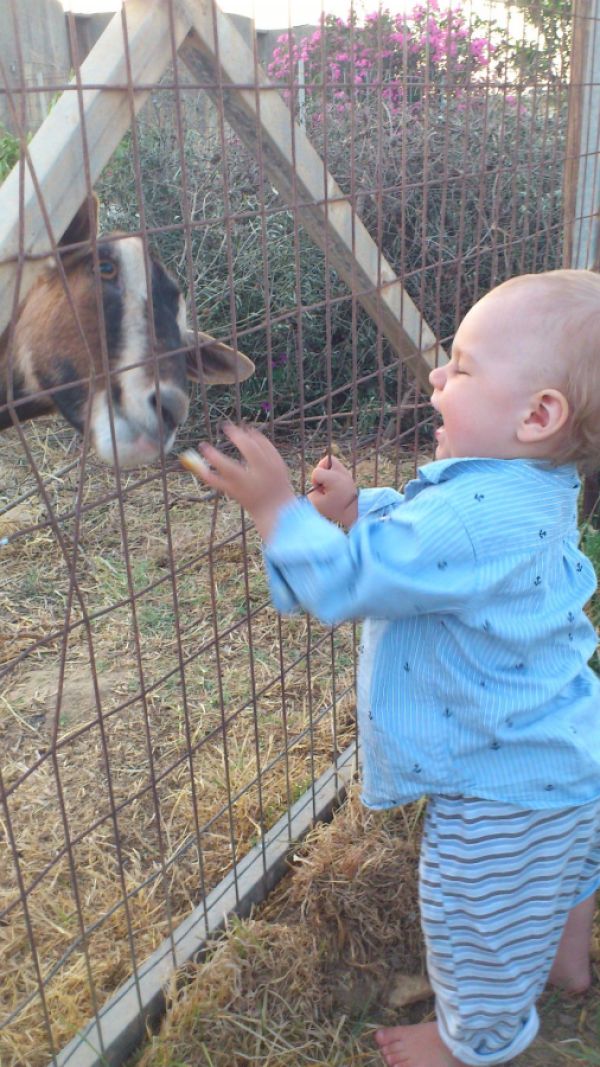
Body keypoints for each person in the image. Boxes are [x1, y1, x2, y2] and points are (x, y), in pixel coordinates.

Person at [185, 268, 600, 1067]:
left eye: (464, 367)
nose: (438, 376)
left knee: (472, 909)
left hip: (502, 784)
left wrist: (278, 510)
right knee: (563, 866)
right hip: (566, 752)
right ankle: (566, 960)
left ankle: (474, 1038)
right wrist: (362, 508)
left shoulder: (473, 516)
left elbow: (349, 581)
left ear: (538, 413)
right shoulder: (533, 484)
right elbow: (429, 541)